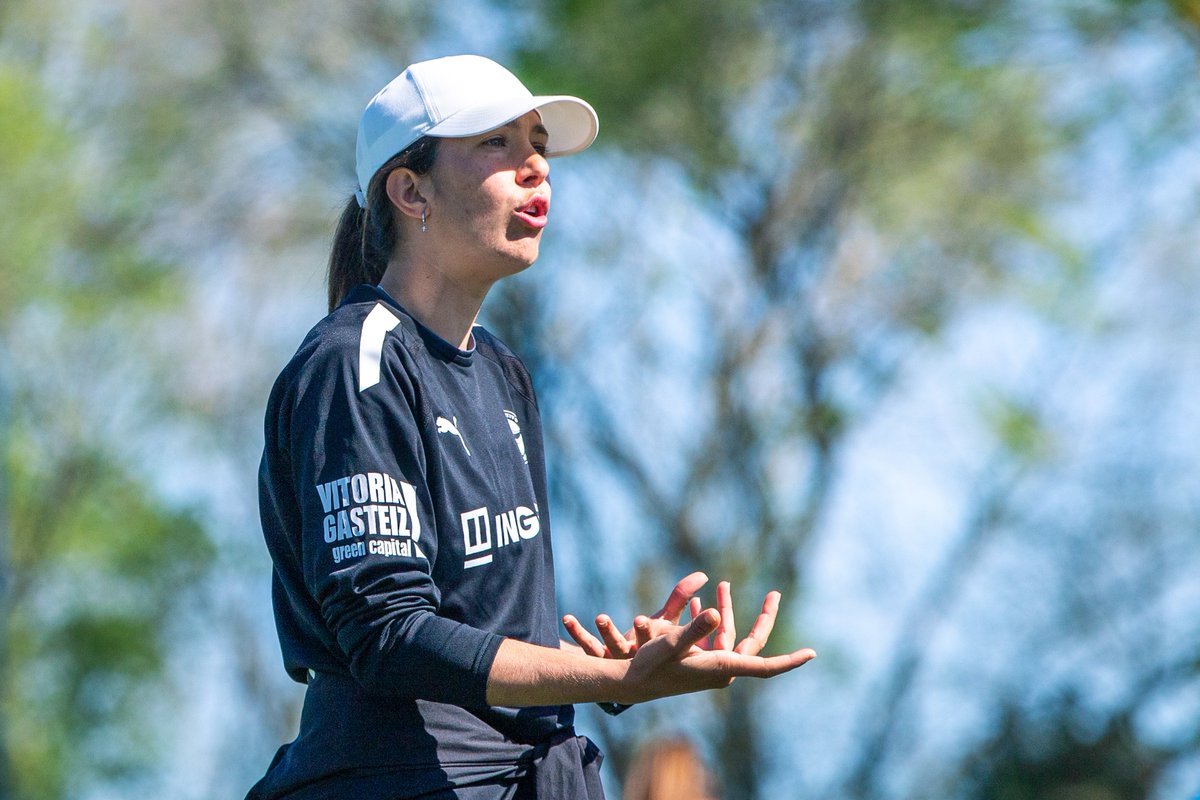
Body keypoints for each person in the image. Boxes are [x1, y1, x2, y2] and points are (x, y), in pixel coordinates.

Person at [247, 54, 815, 800]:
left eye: (539, 144)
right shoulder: (354, 362)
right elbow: (387, 635)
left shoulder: (505, 376)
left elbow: (483, 634)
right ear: (410, 190)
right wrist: (610, 677)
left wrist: (618, 675)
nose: (536, 168)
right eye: (498, 144)